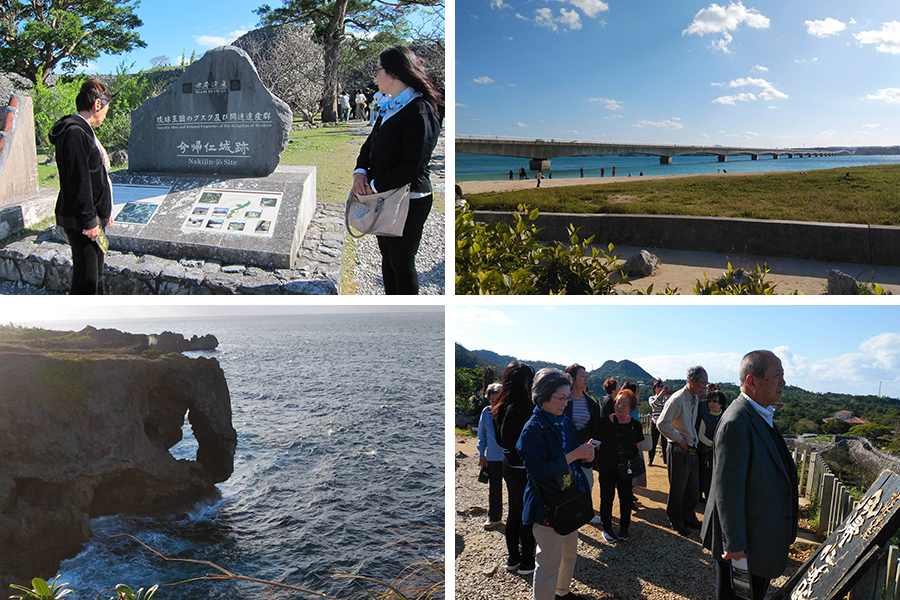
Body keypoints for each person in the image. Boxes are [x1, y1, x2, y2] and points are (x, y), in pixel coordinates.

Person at [701, 351, 797, 600]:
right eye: (777, 375)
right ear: (752, 381)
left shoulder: (758, 414)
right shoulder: (737, 422)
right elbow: (728, 489)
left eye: (783, 375)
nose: (783, 382)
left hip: (759, 537)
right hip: (745, 544)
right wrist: (734, 544)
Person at [352, 46, 442, 295]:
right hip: (383, 195)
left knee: (401, 261)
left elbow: (414, 167)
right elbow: (370, 143)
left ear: (392, 73)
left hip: (409, 199)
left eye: (378, 70)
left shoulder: (419, 109)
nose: (375, 76)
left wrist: (373, 186)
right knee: (387, 257)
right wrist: (360, 172)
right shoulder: (391, 105)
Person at [517, 368, 595, 600]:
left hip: (569, 496)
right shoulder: (532, 430)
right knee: (549, 560)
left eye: (567, 397)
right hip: (547, 502)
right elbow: (538, 471)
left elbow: (572, 456)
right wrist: (574, 455)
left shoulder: (564, 422)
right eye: (560, 398)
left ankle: (562, 592)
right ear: (542, 397)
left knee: (569, 553)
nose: (565, 403)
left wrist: (586, 456)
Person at [50, 78, 114, 295]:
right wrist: (89, 221)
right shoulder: (75, 133)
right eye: (106, 110)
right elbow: (80, 180)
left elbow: (97, 176)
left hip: (90, 217)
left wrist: (104, 213)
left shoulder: (83, 131)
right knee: (86, 279)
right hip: (82, 221)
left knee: (95, 273)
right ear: (97, 104)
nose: (105, 115)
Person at [493, 361, 537, 575]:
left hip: (508, 464)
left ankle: (513, 558)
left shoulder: (500, 406)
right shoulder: (528, 408)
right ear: (525, 382)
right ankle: (527, 561)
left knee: (514, 511)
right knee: (527, 514)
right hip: (524, 468)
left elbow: (500, 440)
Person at [657, 365, 707, 536]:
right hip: (678, 448)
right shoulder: (678, 399)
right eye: (703, 383)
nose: (704, 387)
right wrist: (679, 438)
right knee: (678, 488)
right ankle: (675, 518)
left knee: (692, 488)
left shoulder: (694, 399)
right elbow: (661, 423)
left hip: (691, 447)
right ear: (692, 380)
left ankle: (688, 516)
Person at [593, 389, 644, 542]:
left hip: (626, 467)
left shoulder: (635, 425)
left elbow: (637, 444)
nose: (619, 406)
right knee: (606, 497)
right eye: (618, 403)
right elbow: (596, 441)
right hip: (607, 466)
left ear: (631, 408)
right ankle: (607, 527)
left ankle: (624, 527)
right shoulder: (603, 422)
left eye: (624, 404)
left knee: (625, 497)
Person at [563, 364, 603, 525]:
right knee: (566, 483)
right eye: (582, 376)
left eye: (586, 376)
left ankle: (586, 512)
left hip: (586, 448)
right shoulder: (563, 401)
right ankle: (566, 513)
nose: (586, 379)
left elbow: (596, 428)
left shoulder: (592, 404)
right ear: (572, 379)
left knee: (587, 481)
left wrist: (592, 444)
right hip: (567, 449)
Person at [478, 383, 505, 529]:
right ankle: (494, 517)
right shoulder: (485, 412)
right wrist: (481, 454)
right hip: (493, 456)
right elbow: (482, 434)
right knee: (494, 488)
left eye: (497, 400)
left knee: (515, 489)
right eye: (492, 400)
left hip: (509, 457)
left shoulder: (508, 411)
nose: (494, 403)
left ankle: (519, 519)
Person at [698, 386, 726, 503]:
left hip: (723, 453)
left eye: (715, 401)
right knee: (708, 475)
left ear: (721, 404)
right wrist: (711, 444)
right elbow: (701, 435)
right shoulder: (705, 418)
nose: (711, 404)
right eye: (709, 401)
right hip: (709, 452)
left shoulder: (726, 417)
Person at [648, 380, 669, 466]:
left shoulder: (665, 399)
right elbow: (654, 405)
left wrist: (667, 396)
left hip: (664, 423)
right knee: (653, 442)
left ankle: (666, 459)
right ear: (654, 388)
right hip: (655, 422)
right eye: (658, 386)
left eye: (661, 386)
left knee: (665, 443)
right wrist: (660, 396)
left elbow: (668, 407)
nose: (660, 388)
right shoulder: (652, 398)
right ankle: (650, 459)